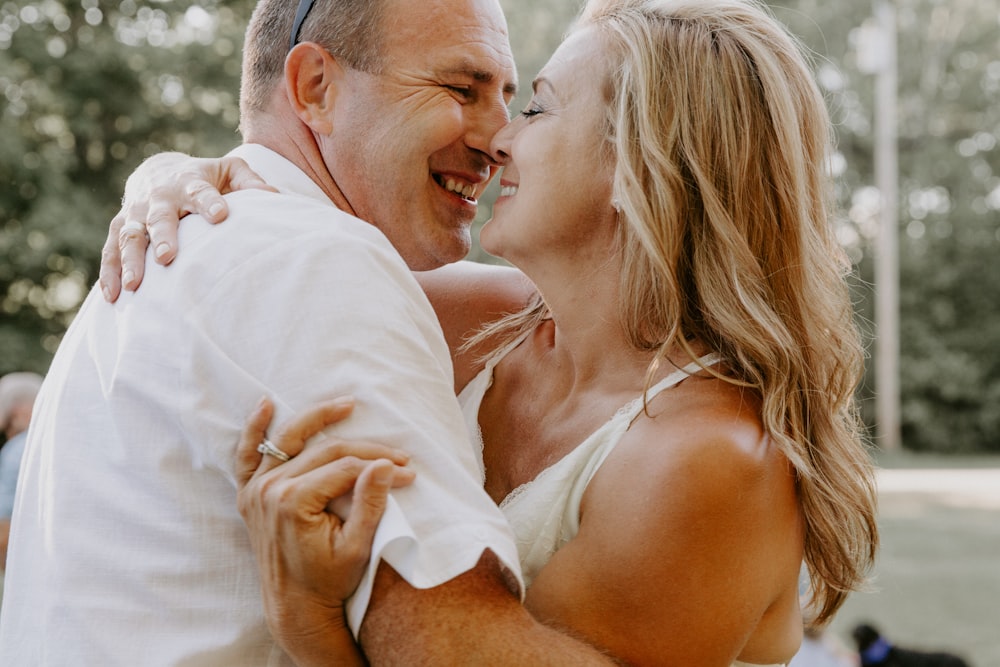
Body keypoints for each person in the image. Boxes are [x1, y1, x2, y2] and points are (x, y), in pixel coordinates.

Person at [101, 0, 880, 664]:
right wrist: (171, 174)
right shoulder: (479, 318)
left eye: (535, 106)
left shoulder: (703, 460)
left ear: (641, 161)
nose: (498, 138)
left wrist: (309, 621)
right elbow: (287, 230)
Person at [0, 0, 620, 665]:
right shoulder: (312, 261)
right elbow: (450, 643)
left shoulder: (204, 242)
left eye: (512, 98)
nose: (499, 138)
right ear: (315, 88)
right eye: (460, 89)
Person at [0, 371, 43, 570]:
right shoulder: (71, 446)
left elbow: (4, 527)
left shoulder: (16, 450)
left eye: (8, 424)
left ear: (18, 413)